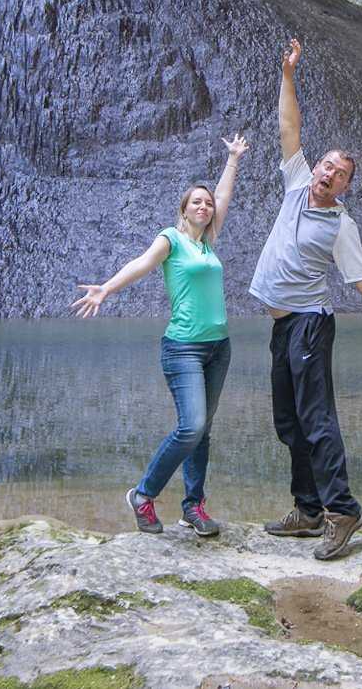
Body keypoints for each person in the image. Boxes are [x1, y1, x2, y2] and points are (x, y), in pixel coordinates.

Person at [249, 37, 362, 561]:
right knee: (289, 421)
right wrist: (287, 73)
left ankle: (342, 509)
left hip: (309, 324)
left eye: (340, 173)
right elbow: (288, 128)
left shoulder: (340, 224)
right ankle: (307, 509)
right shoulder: (295, 182)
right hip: (283, 326)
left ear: (347, 186)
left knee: (318, 419)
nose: (328, 174)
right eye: (326, 165)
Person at [72, 131, 250, 538]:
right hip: (183, 348)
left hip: (218, 348)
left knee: (203, 430)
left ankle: (194, 507)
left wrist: (234, 159)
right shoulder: (171, 240)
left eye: (207, 203)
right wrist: (106, 289)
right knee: (191, 426)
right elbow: (142, 263)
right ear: (183, 210)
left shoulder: (209, 240)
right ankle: (143, 494)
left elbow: (224, 197)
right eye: (196, 202)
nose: (205, 206)